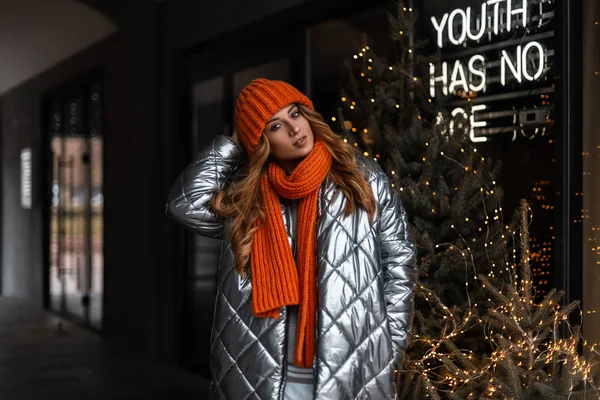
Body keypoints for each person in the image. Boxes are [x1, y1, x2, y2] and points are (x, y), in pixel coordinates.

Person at [166, 78, 417, 400]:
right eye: (275, 125)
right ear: (259, 140)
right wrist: (233, 141)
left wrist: (389, 344)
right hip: (259, 371)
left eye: (295, 114)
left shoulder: (361, 177)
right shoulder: (247, 194)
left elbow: (398, 262)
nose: (294, 129)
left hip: (352, 363)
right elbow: (184, 204)